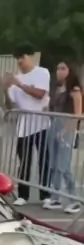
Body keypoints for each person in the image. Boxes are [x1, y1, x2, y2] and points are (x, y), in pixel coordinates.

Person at [4, 44, 51, 205]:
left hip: (41, 124)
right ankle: (23, 195)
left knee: (43, 161)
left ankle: (46, 195)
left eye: (22, 57)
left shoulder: (42, 73)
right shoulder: (17, 79)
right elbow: (10, 105)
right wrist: (5, 89)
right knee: (24, 161)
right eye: (17, 58)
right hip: (24, 126)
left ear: (30, 57)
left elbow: (40, 94)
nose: (20, 62)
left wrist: (19, 84)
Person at [44, 62, 82, 213]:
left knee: (63, 165)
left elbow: (77, 114)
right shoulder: (58, 88)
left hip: (67, 128)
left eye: (63, 68)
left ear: (70, 71)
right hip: (54, 126)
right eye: (58, 68)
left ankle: (74, 200)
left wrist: (66, 131)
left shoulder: (75, 90)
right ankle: (55, 197)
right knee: (54, 165)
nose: (59, 71)